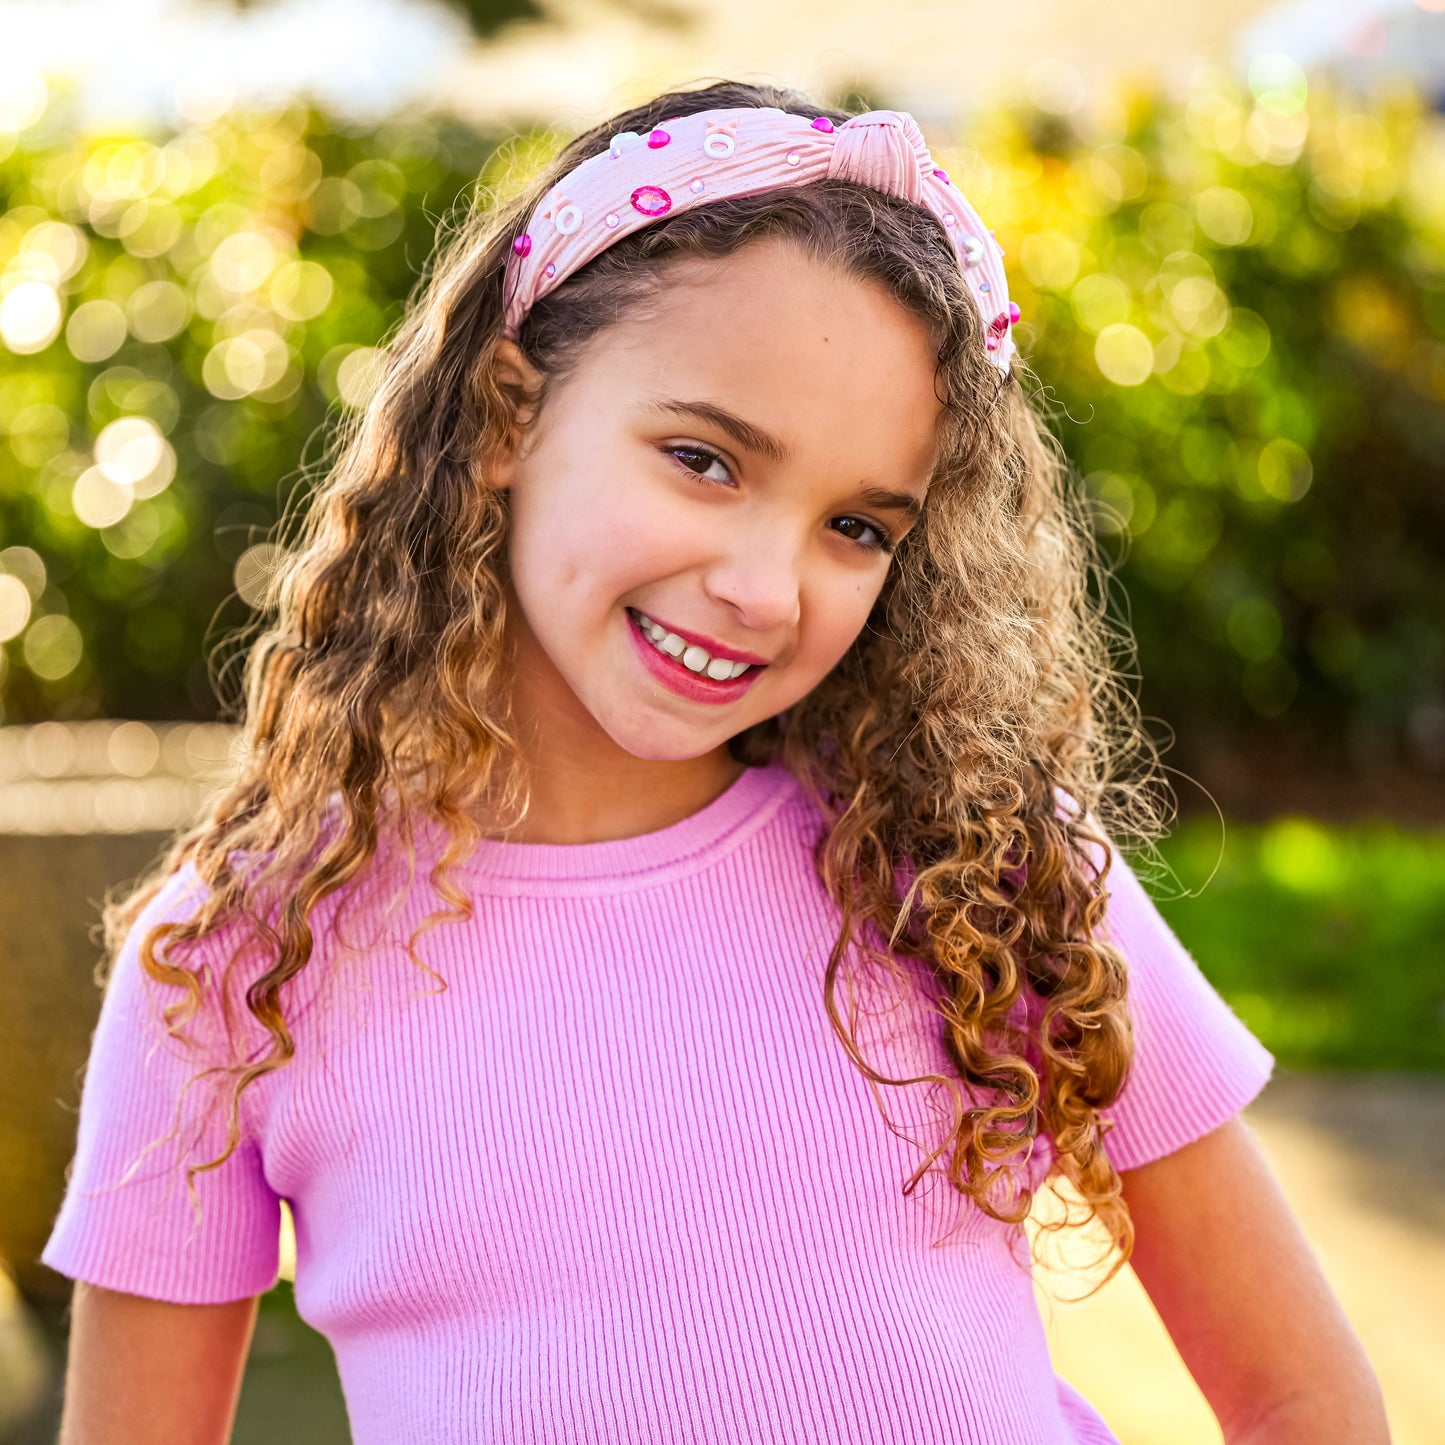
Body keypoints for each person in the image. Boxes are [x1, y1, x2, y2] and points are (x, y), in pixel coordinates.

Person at [40, 80, 1387, 1445]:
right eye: (702, 458)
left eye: (857, 526)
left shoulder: (978, 867)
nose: (763, 585)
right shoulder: (235, 967)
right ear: (508, 417)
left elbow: (1300, 1400)